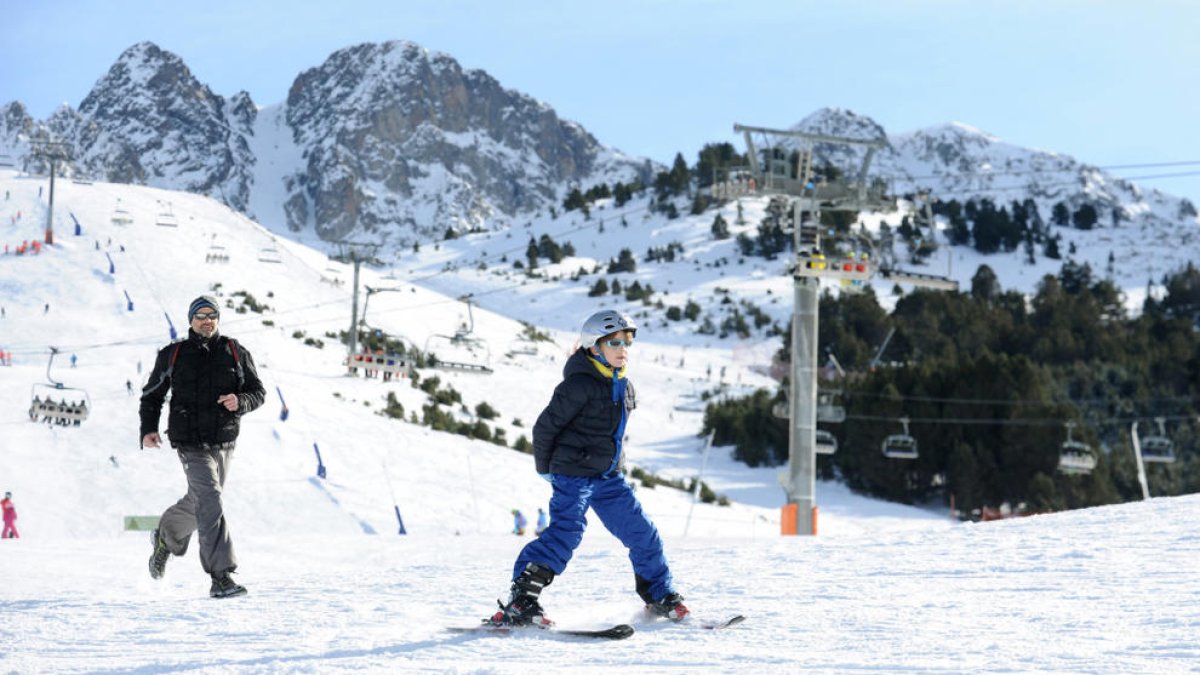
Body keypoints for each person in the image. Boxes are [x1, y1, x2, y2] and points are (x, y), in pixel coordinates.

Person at [485, 309, 688, 628]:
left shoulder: (625, 386)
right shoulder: (578, 385)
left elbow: (612, 435)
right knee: (567, 531)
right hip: (573, 474)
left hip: (608, 477)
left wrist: (615, 466)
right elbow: (544, 428)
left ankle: (660, 596)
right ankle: (521, 599)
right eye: (615, 343)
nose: (623, 349)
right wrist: (547, 470)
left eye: (627, 342)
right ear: (594, 346)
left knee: (642, 532)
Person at [140, 295, 266, 598]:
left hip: (224, 441)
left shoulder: (234, 351)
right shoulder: (174, 354)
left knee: (202, 503)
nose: (206, 320)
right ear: (191, 320)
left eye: (212, 315)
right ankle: (221, 576)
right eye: (200, 315)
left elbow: (257, 392)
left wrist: (241, 401)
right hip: (190, 443)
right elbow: (152, 395)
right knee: (210, 500)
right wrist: (148, 429)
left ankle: (165, 536)